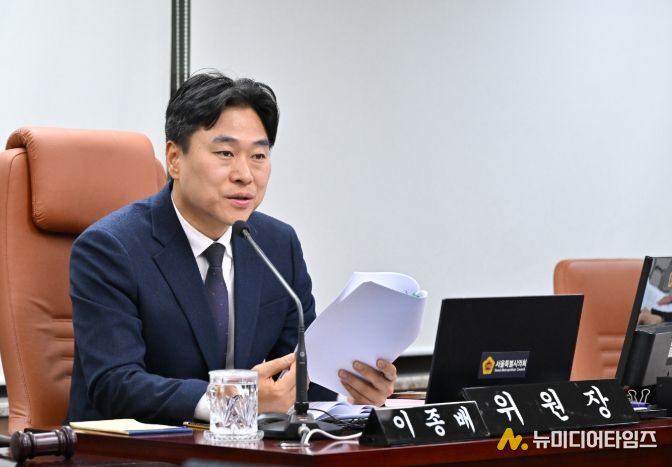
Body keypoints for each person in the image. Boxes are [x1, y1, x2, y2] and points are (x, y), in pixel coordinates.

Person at [66, 71, 396, 425]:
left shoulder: (277, 245)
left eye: (258, 156)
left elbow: (298, 376)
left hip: (244, 447)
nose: (245, 174)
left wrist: (352, 388)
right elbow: (115, 385)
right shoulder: (110, 249)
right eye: (225, 153)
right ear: (174, 159)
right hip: (136, 448)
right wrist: (235, 400)